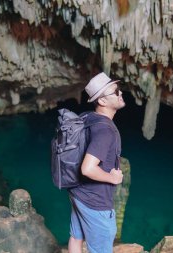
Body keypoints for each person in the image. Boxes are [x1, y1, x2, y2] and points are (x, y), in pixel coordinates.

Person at [68, 72, 126, 253]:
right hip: (96, 202)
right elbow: (87, 168)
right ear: (102, 101)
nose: (120, 93)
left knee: (76, 237)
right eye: (115, 91)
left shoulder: (87, 117)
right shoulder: (106, 131)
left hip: (78, 193)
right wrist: (112, 178)